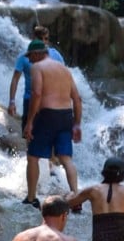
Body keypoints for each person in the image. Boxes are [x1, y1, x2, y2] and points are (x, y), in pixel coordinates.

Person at [22, 41, 82, 208]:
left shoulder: (38, 68)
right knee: (65, 158)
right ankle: (75, 196)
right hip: (66, 116)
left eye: (30, 57)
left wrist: (30, 122)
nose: (30, 61)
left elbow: (37, 93)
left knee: (33, 157)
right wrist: (77, 123)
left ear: (37, 54)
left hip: (47, 115)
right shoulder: (64, 69)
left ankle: (31, 197)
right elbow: (77, 99)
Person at [8, 24, 64, 132]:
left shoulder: (55, 55)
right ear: (33, 38)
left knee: (50, 136)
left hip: (50, 101)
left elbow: (64, 78)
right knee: (29, 135)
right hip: (30, 100)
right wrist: (12, 101)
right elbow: (15, 79)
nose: (43, 42)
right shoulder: (24, 57)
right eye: (40, 38)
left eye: (46, 39)